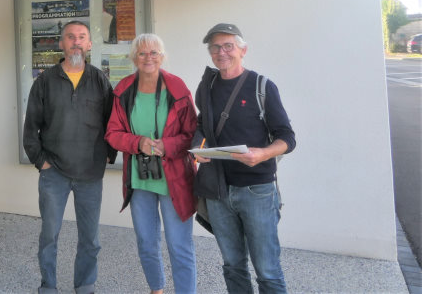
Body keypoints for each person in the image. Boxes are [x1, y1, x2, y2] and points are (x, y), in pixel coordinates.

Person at [193, 23, 296, 294]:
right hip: (218, 190)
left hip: (257, 190)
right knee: (232, 265)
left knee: (267, 271)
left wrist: (263, 153)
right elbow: (202, 125)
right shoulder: (208, 86)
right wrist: (198, 148)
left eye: (228, 45)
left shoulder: (262, 86)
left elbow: (287, 138)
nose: (221, 52)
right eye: (215, 47)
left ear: (243, 49)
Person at [23, 20, 116, 294]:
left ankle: (85, 285)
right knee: (49, 235)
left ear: (89, 44)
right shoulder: (45, 81)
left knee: (90, 238)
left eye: (81, 37)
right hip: (55, 173)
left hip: (90, 173)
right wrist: (41, 162)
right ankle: (48, 286)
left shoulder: (100, 80)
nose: (76, 42)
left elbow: (112, 122)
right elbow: (31, 127)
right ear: (61, 43)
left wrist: (109, 154)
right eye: (70, 37)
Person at [105, 34, 197, 294]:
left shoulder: (178, 88)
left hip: (175, 178)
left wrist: (169, 145)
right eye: (142, 53)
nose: (148, 58)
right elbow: (112, 133)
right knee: (146, 242)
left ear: (162, 56)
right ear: (134, 57)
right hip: (140, 178)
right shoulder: (123, 89)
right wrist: (137, 143)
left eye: (154, 52)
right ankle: (156, 289)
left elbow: (192, 134)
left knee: (179, 245)